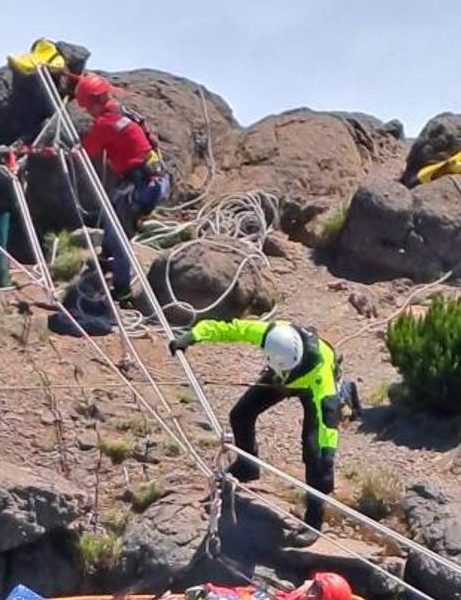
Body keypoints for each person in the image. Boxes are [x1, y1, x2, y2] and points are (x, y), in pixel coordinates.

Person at [169, 318, 352, 539]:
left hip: (308, 383)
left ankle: (314, 521)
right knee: (241, 414)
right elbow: (231, 328)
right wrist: (194, 335)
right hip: (282, 371)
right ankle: (248, 466)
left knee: (315, 451)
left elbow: (327, 432)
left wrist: (325, 470)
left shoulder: (321, 378)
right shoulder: (270, 333)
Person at [76, 73, 170, 304]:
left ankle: (123, 292)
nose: (89, 113)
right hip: (155, 179)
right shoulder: (123, 111)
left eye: (89, 108)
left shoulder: (106, 124)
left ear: (96, 101)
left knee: (119, 238)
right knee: (112, 217)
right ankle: (106, 259)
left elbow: (85, 151)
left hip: (142, 186)